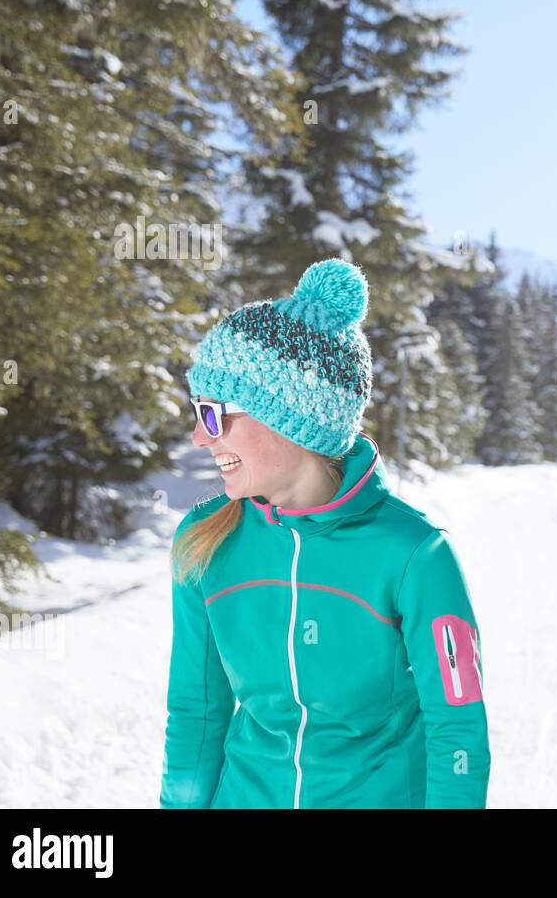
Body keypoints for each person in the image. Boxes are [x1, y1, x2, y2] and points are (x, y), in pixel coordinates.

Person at [160, 257, 489, 809]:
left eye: (214, 413)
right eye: (197, 411)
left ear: (290, 417)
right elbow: (197, 711)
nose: (199, 436)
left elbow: (457, 730)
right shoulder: (205, 539)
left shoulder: (415, 553)